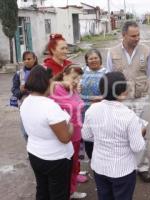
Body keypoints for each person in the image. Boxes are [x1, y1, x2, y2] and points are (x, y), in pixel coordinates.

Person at [82, 72, 146, 200]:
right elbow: (138, 147)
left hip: (100, 166)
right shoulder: (129, 116)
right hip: (123, 169)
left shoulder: (92, 110)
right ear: (123, 93)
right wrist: (141, 132)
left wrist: (103, 137)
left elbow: (86, 135)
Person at [106, 20, 150, 183]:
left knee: (141, 132)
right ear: (123, 35)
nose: (137, 38)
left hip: (140, 98)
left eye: (138, 34)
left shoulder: (146, 50)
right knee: (121, 133)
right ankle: (125, 165)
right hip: (121, 100)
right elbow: (110, 75)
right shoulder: (112, 52)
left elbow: (148, 72)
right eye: (133, 36)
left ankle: (142, 167)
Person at [20, 65, 73, 200]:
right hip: (55, 159)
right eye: (52, 81)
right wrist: (71, 124)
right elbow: (65, 138)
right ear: (46, 83)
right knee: (59, 194)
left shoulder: (26, 102)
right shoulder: (49, 106)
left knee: (42, 190)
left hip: (35, 153)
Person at [49, 64, 87, 199]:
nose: (76, 81)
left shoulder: (72, 88)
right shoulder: (56, 88)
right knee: (67, 165)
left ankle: (71, 187)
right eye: (74, 77)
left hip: (76, 131)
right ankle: (69, 192)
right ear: (64, 74)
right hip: (65, 133)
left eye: (78, 78)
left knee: (74, 161)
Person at [81, 49, 107, 159]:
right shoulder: (82, 72)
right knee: (87, 135)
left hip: (101, 109)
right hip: (84, 110)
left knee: (101, 133)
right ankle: (92, 158)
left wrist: (101, 98)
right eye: (90, 58)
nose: (93, 60)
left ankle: (102, 157)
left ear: (100, 59)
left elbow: (110, 92)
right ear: (87, 61)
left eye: (96, 58)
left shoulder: (106, 73)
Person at [11, 51, 38, 141]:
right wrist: (21, 91)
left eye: (29, 59)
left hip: (39, 105)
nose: (26, 61)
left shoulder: (41, 72)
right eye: (24, 59)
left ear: (34, 59)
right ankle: (30, 151)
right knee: (26, 132)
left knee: (39, 130)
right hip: (24, 107)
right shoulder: (19, 74)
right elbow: (14, 92)